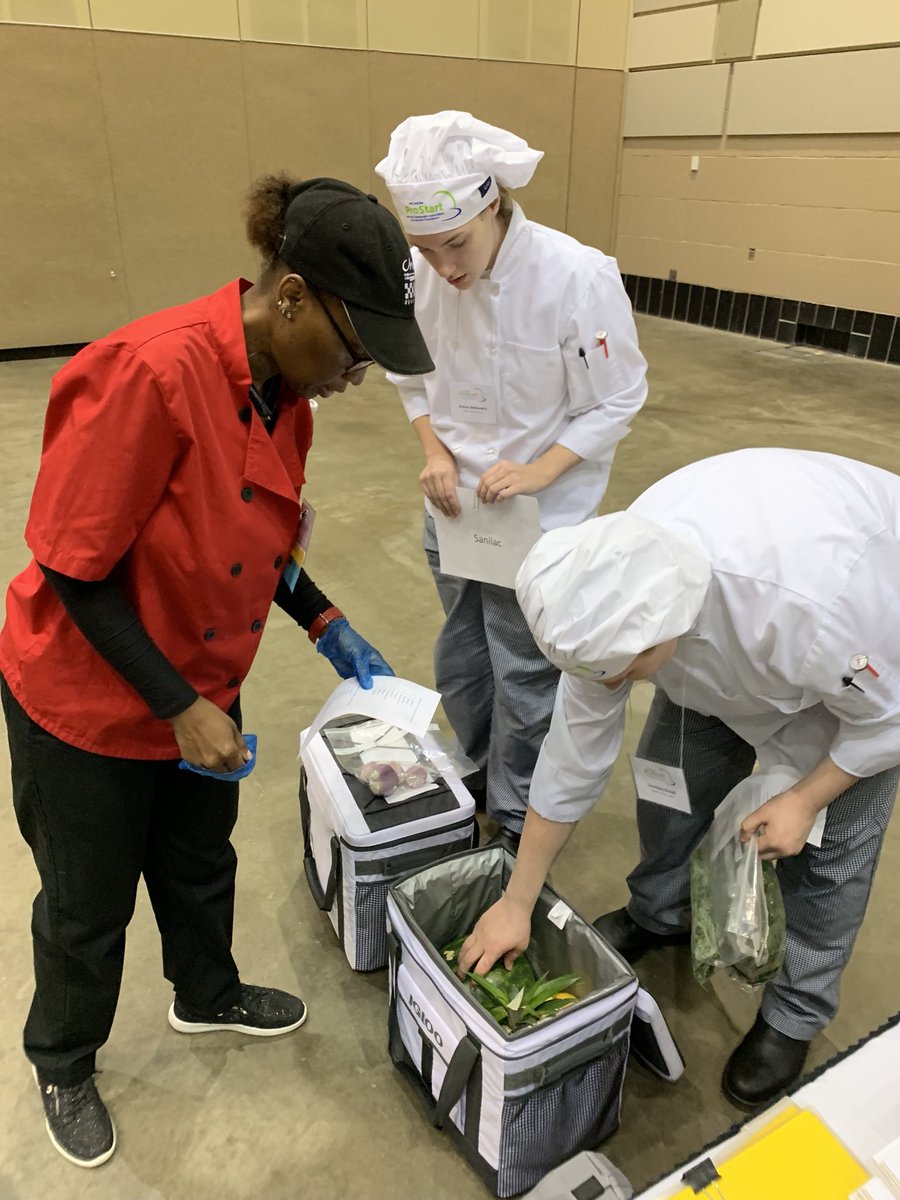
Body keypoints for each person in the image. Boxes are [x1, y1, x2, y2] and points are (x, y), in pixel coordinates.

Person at [0, 174, 434, 1168]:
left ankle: (206, 992)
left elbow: (256, 533)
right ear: (289, 296)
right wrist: (178, 708)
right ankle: (62, 1054)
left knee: (199, 860)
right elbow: (75, 568)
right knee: (87, 899)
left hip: (203, 674)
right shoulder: (146, 374)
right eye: (353, 348)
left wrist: (323, 619)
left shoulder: (289, 396)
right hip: (88, 697)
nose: (353, 374)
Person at [458, 448, 900, 1110]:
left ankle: (795, 1013)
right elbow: (574, 751)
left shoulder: (818, 603)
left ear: (659, 633)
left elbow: (888, 719)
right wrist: (518, 899)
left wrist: (807, 799)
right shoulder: (614, 582)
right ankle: (660, 912)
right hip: (726, 648)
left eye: (623, 673)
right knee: (668, 782)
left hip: (861, 673)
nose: (610, 688)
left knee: (827, 862)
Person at [374, 111, 647, 845]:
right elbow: (408, 371)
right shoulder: (424, 275)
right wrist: (433, 452)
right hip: (456, 509)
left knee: (528, 679)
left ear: (492, 201)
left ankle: (521, 817)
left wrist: (539, 471)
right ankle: (474, 779)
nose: (445, 268)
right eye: (425, 250)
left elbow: (619, 396)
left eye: (456, 244)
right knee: (462, 659)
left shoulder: (574, 275)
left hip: (541, 519)